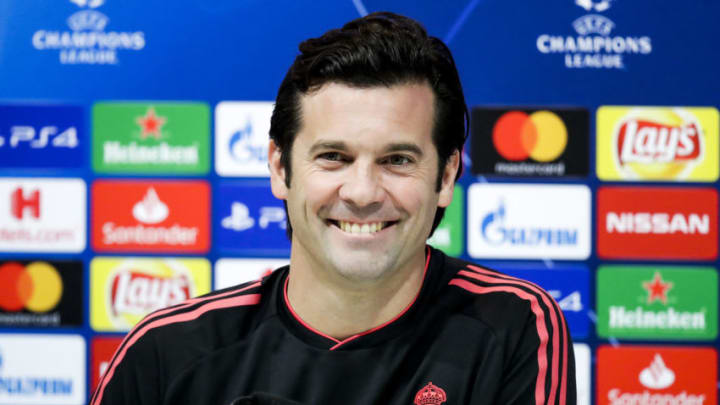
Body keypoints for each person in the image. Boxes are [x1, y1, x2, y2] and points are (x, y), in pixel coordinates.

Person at [92, 12, 575, 405]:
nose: (363, 192)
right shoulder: (166, 352)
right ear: (280, 168)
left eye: (397, 160)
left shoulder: (513, 327)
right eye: (333, 157)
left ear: (446, 177)